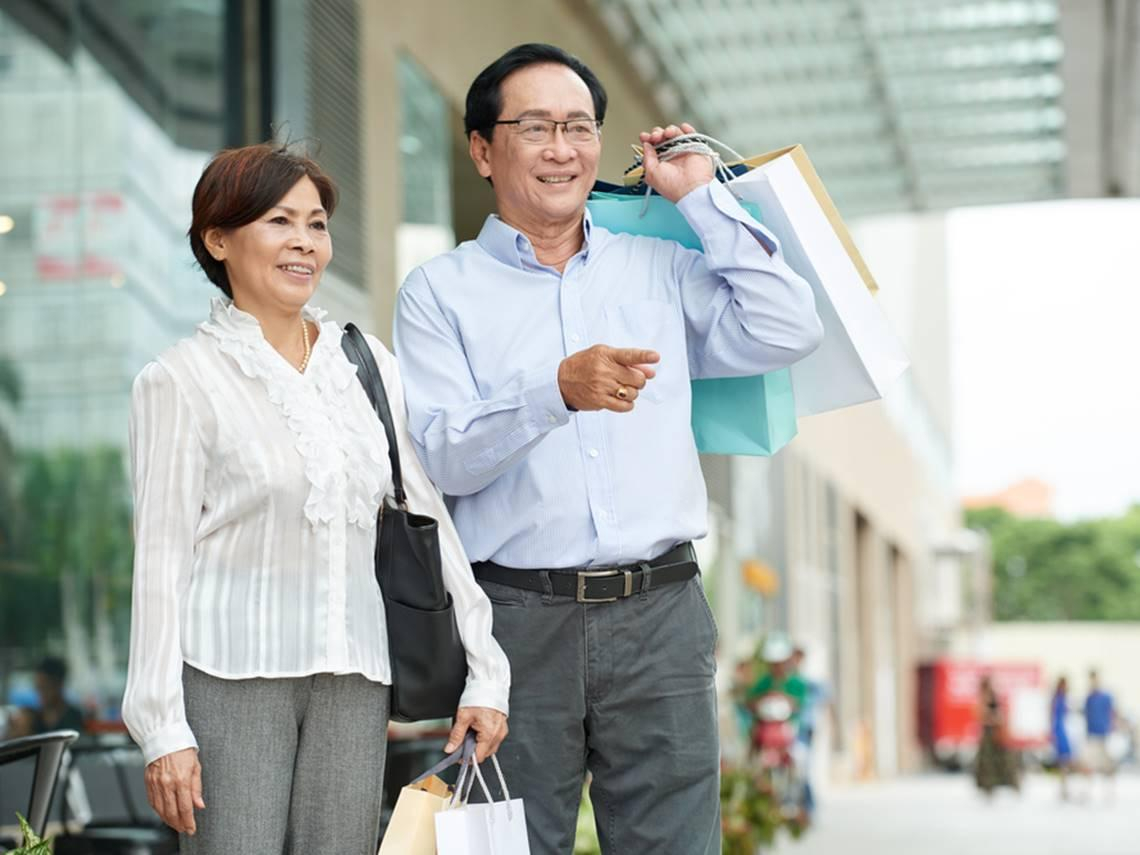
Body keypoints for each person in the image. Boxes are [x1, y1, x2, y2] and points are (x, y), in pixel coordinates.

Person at [394, 44, 822, 853]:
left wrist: (702, 200)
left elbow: (787, 326)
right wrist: (553, 389)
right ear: (483, 150)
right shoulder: (438, 292)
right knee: (509, 844)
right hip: (513, 622)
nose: (563, 148)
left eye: (580, 127)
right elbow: (444, 459)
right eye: (536, 127)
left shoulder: (661, 266)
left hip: (660, 611)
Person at [120, 143, 510, 854]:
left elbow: (425, 516)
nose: (305, 241)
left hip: (355, 676)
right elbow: (160, 559)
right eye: (279, 221)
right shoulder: (180, 379)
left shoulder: (364, 363)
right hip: (233, 675)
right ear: (218, 238)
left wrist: (487, 667)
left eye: (317, 223)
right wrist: (161, 725)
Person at [4, 657, 86, 738]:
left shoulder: (75, 717)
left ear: (58, 684)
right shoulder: (33, 720)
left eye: (44, 687)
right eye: (38, 687)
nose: (40, 693)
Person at [973, 674, 1019, 797]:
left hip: (996, 732)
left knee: (1002, 760)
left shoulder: (992, 696)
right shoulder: (983, 697)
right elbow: (980, 715)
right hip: (988, 733)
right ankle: (989, 786)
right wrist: (992, 718)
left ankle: (1006, 784)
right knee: (989, 762)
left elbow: (999, 712)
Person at [1083, 669, 1116, 799]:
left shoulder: (1106, 697)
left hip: (1104, 734)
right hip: (1092, 735)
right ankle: (1088, 790)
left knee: (1107, 764)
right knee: (1089, 763)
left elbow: (1112, 713)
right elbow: (1086, 715)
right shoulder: (1089, 698)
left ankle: (1109, 790)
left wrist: (1111, 728)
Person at [1051, 676, 1076, 800]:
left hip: (1064, 731)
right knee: (1064, 761)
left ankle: (1065, 788)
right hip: (1061, 731)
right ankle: (1064, 789)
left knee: (1065, 762)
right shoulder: (1059, 699)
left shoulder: (1063, 698)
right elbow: (1055, 717)